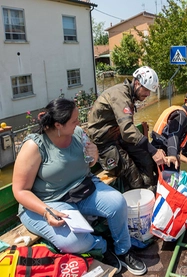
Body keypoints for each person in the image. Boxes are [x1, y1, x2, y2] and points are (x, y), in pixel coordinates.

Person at [12, 98, 147, 275]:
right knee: (72, 242)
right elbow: (20, 190)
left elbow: (88, 163)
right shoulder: (34, 146)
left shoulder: (77, 133)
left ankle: (124, 250)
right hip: (48, 201)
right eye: (74, 120)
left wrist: (94, 156)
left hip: (82, 188)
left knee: (117, 202)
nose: (79, 123)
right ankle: (103, 247)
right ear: (59, 125)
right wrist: (46, 211)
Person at [87, 66, 166, 192]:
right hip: (104, 142)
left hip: (118, 136)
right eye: (146, 90)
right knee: (131, 171)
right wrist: (154, 150)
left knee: (146, 158)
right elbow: (128, 130)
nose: (148, 94)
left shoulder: (129, 95)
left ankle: (151, 189)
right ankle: (141, 197)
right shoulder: (120, 95)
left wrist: (150, 152)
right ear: (137, 83)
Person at [151, 89, 187, 171]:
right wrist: (173, 156)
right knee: (172, 179)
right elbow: (174, 135)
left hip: (159, 148)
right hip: (165, 155)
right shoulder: (182, 116)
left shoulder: (178, 111)